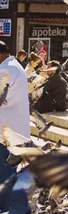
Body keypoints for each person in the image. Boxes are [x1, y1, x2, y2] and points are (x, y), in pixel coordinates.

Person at [0, 41, 29, 183]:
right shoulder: (13, 65)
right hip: (13, 129)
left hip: (7, 132)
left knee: (4, 175)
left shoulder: (7, 69)